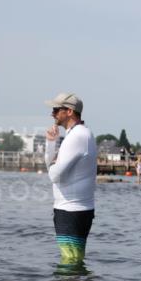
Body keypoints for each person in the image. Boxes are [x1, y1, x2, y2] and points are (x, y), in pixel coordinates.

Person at [44, 93, 97, 268]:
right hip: (74, 209)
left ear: (69, 111)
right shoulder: (79, 134)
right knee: (74, 259)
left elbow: (54, 175)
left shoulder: (77, 137)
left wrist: (53, 163)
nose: (52, 113)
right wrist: (51, 144)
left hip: (71, 210)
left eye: (56, 109)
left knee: (70, 262)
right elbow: (52, 169)